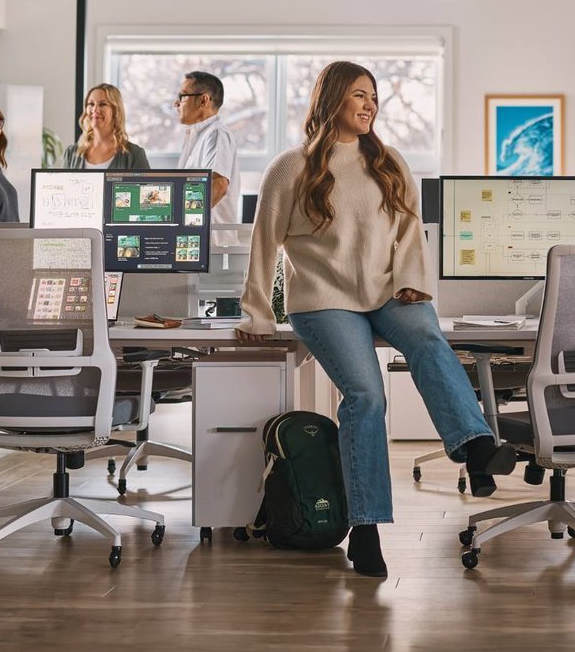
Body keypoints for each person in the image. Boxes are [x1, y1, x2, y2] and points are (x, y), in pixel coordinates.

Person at [239, 61, 516, 578]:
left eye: (374, 97)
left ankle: (476, 448)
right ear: (332, 101)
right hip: (324, 298)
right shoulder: (290, 168)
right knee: (366, 395)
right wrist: (257, 310)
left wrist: (413, 280)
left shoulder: (387, 161)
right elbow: (264, 243)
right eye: (359, 96)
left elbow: (410, 231)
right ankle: (365, 529)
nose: (370, 106)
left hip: (388, 290)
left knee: (430, 340)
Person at [175, 71, 239, 227]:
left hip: (213, 244)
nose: (176, 103)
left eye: (182, 96)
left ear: (203, 101)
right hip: (199, 239)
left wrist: (179, 220)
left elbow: (219, 185)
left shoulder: (216, 134)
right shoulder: (198, 136)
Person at [61, 83, 150, 170]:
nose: (95, 110)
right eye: (91, 104)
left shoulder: (135, 155)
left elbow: (145, 185)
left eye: (102, 104)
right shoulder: (71, 153)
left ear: (115, 111)